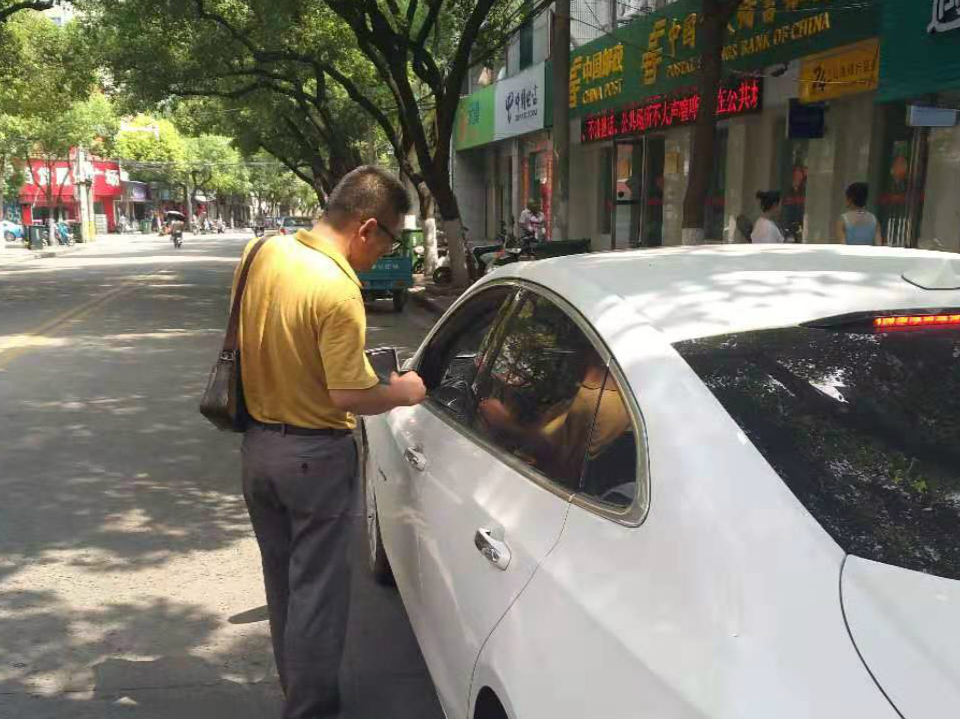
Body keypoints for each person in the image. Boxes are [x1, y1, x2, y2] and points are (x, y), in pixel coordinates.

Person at [235, 166, 426, 719]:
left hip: (258, 449)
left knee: (283, 586)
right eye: (391, 239)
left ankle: (296, 692)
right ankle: (310, 710)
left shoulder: (262, 252)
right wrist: (403, 391)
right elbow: (348, 393)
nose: (388, 251)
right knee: (317, 595)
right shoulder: (338, 287)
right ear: (367, 227)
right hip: (314, 459)